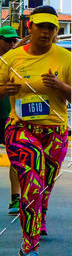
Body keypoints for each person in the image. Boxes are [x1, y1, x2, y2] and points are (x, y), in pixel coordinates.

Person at [0, 6, 71, 256]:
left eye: (51, 28)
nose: (46, 32)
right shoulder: (11, 58)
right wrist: (3, 90)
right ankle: (30, 251)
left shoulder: (65, 58)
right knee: (32, 181)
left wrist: (60, 86)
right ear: (29, 27)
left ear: (56, 32)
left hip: (55, 132)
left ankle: (37, 220)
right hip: (21, 128)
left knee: (44, 187)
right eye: (41, 26)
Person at [0, 27, 22, 213]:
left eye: (14, 41)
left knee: (15, 159)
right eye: (8, 41)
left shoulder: (15, 61)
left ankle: (15, 199)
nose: (11, 44)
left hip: (10, 118)